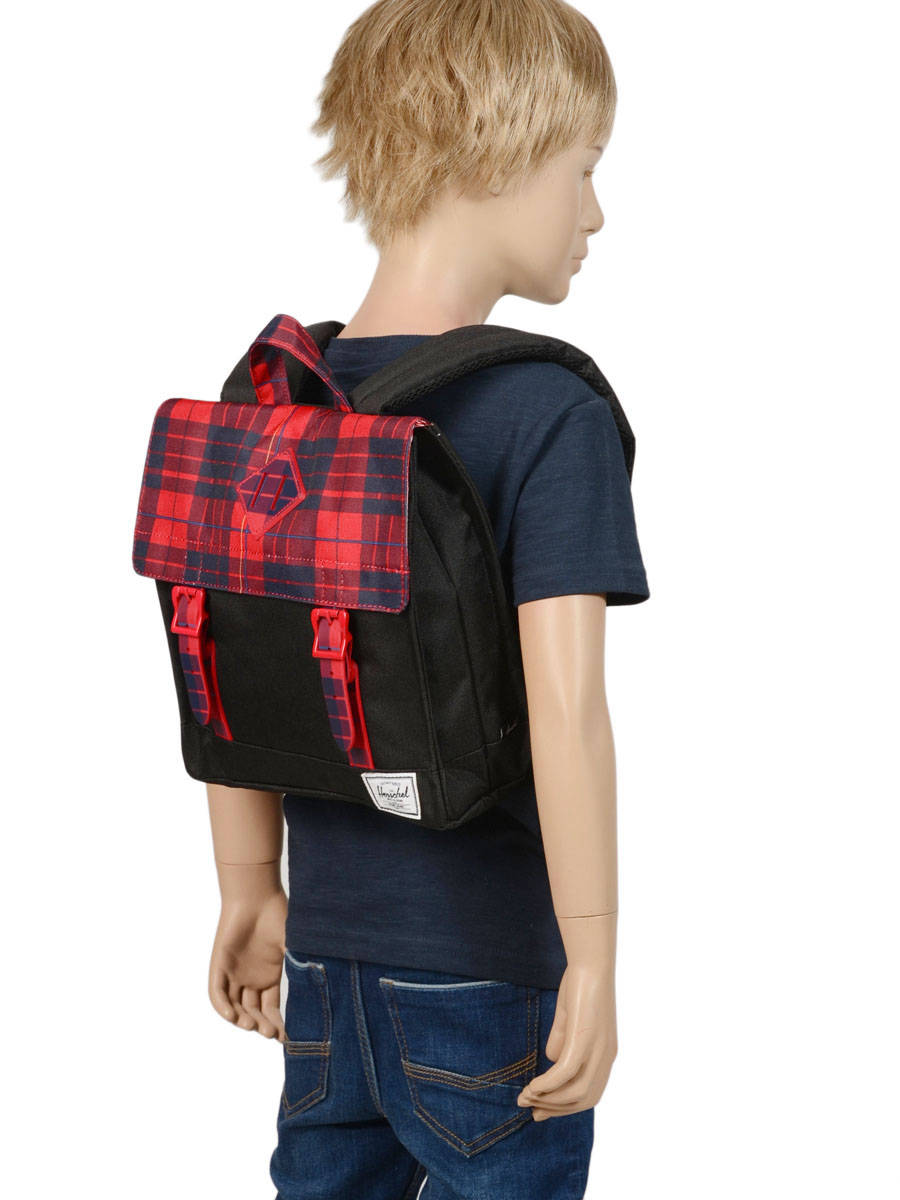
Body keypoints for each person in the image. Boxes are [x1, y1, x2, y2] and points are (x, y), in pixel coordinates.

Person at [205, 2, 650, 1197]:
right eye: (584, 168)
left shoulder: (272, 402)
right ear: (496, 156)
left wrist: (248, 887)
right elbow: (567, 716)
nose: (596, 213)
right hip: (485, 972)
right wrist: (594, 959)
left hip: (320, 964)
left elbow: (232, 674)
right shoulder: (546, 413)